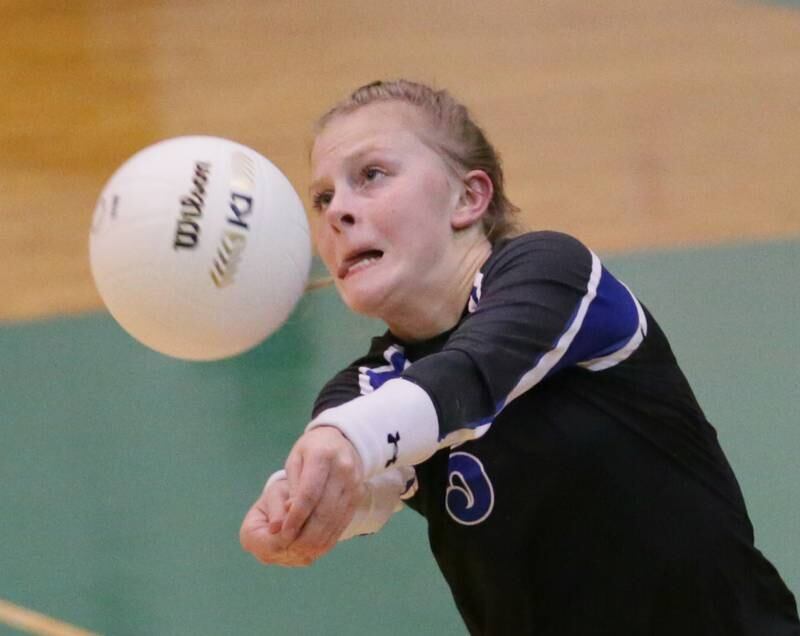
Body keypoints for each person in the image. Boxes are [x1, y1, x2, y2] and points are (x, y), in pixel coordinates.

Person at [240, 79, 800, 635]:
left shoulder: (555, 274)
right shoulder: (362, 394)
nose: (338, 211)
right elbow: (372, 484)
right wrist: (301, 507)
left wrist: (344, 443)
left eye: (371, 175)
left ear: (468, 197)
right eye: (323, 198)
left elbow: (466, 380)